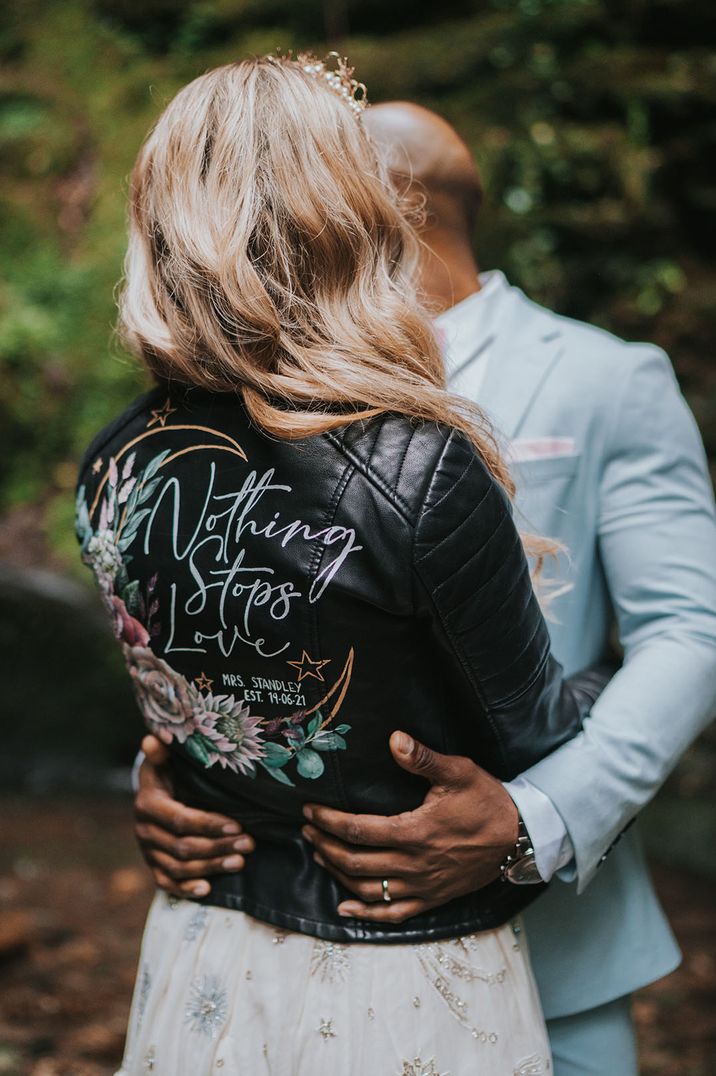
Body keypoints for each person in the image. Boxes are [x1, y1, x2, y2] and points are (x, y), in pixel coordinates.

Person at [133, 101, 716, 1075]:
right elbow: (217, 604)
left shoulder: (603, 377)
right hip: (279, 949)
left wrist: (530, 821)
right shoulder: (242, 388)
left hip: (553, 947)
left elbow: (690, 629)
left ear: (380, 204)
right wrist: (176, 765)